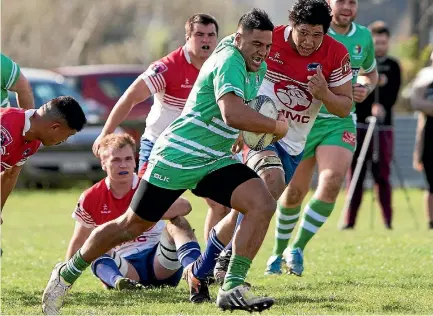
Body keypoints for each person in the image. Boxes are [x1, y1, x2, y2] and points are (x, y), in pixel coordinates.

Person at [42, 9, 286, 314]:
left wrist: (242, 129)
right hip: (178, 156)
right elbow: (232, 112)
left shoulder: (254, 64)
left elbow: (235, 114)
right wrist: (275, 126)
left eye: (267, 46)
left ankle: (231, 286)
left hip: (214, 158)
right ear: (238, 39)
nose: (262, 52)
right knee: (130, 226)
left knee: (261, 202)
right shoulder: (229, 60)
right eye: (255, 45)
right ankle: (66, 273)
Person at [203, 0, 353, 281]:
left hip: (294, 143)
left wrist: (324, 94)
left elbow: (344, 107)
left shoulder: (336, 54)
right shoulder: (267, 42)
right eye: (303, 32)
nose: (309, 42)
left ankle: (205, 262)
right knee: (270, 181)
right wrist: (237, 123)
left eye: (317, 35)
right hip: (258, 131)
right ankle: (230, 266)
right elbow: (231, 68)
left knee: (254, 204)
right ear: (292, 26)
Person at [90, 13, 230, 247]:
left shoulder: (220, 65)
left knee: (222, 205)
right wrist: (106, 131)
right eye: (199, 35)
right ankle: (110, 253)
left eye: (211, 35)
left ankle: (212, 263)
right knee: (142, 210)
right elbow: (130, 97)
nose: (206, 40)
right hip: (161, 147)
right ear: (187, 37)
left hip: (202, 148)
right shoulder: (168, 66)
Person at [269, 0, 378, 276]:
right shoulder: (312, 32)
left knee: (331, 182)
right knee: (293, 192)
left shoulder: (364, 36)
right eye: (341, 1)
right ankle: (277, 253)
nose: (347, 7)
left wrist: (364, 86)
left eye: (353, 2)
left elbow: (370, 73)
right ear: (328, 4)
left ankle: (298, 247)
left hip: (339, 120)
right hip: (303, 122)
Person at [66, 133, 201, 291]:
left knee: (178, 222)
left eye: (128, 159)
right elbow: (78, 242)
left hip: (159, 263)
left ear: (135, 161)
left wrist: (145, 210)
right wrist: (64, 283)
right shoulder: (90, 197)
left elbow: (186, 206)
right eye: (116, 160)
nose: (123, 165)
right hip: (126, 267)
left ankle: (195, 272)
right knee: (95, 245)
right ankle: (119, 282)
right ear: (103, 163)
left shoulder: (148, 186)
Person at [344, 21, 401, 229]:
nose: (380, 47)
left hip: (383, 128)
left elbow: (393, 95)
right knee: (355, 173)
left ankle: (388, 221)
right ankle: (349, 221)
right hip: (359, 125)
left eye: (383, 43)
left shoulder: (393, 66)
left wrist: (382, 104)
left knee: (382, 175)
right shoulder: (360, 63)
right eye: (376, 43)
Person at [0, 96, 87, 216]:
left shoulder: (34, 141)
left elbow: (10, 174)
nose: (64, 140)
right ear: (55, 127)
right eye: (67, 135)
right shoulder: (5, 128)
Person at [411, 50, 433, 230]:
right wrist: (417, 153)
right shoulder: (425, 78)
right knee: (431, 184)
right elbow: (416, 103)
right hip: (429, 138)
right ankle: (431, 222)